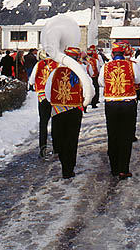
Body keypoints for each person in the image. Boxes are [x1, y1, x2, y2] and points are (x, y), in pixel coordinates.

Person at [45, 46, 93, 179]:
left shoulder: (55, 71)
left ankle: (64, 163)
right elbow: (90, 91)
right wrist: (83, 103)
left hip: (58, 110)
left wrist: (56, 102)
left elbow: (48, 92)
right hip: (74, 110)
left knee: (59, 137)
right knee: (71, 139)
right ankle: (68, 167)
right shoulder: (81, 71)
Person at [98, 42, 140, 179]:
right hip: (128, 103)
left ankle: (114, 168)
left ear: (112, 55)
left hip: (111, 103)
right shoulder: (131, 65)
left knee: (113, 134)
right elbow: (139, 79)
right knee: (126, 135)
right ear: (123, 54)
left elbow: (101, 83)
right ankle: (124, 168)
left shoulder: (106, 66)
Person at [29, 49, 58, 157]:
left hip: (42, 96)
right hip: (54, 96)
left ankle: (42, 147)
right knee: (55, 122)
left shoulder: (39, 64)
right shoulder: (58, 64)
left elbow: (31, 81)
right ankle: (56, 148)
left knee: (43, 123)